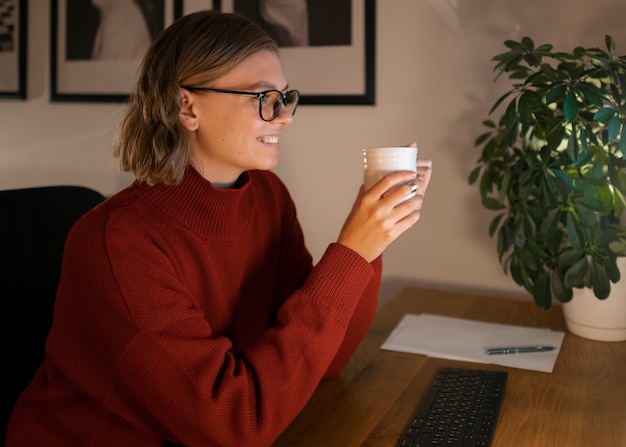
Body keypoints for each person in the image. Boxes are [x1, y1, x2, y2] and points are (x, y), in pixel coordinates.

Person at [5, 10, 432, 447]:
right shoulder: (116, 243)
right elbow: (234, 421)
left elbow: (325, 361)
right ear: (188, 107)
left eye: (285, 98)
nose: (284, 116)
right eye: (263, 98)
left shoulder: (267, 196)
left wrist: (372, 239)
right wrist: (353, 252)